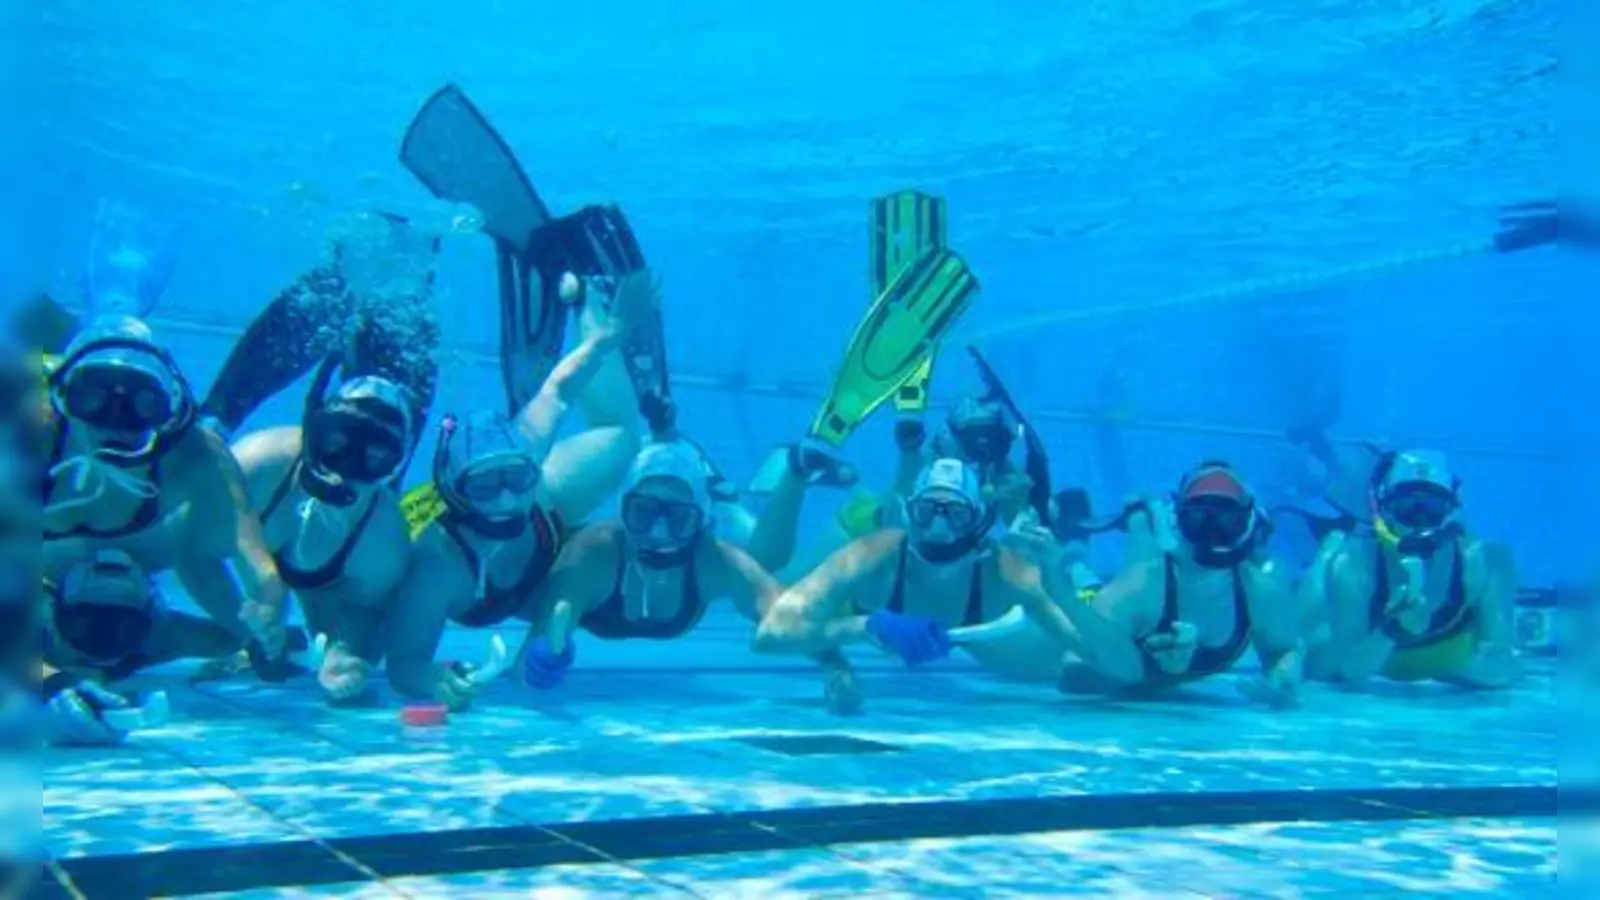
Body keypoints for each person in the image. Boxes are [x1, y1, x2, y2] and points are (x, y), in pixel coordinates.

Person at [383, 270, 657, 710]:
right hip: (485, 571)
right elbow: (404, 662)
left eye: (514, 480)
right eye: (487, 485)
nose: (507, 499)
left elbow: (561, 387)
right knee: (537, 594)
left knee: (621, 436)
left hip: (546, 503)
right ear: (457, 492)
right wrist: (433, 680)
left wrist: (609, 336)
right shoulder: (437, 564)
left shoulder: (526, 456)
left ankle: (586, 299)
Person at [516, 440, 862, 699]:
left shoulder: (714, 561)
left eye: (678, 519)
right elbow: (548, 628)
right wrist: (540, 657)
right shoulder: (595, 553)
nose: (659, 533)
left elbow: (783, 616)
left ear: (700, 524)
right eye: (644, 514)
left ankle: (784, 478)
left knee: (769, 561)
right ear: (623, 514)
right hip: (535, 567)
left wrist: (835, 664)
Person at [42, 314, 290, 663]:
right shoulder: (193, 456)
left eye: (140, 404)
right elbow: (255, 563)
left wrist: (265, 609)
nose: (115, 417)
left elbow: (253, 561)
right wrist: (265, 616)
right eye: (94, 397)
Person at [754, 458, 1085, 702]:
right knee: (777, 583)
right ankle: (800, 473)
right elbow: (773, 633)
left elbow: (1076, 650)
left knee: (1058, 664)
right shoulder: (870, 554)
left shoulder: (1001, 569)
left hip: (956, 595)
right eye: (926, 512)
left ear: (978, 522)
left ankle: (853, 484)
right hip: (864, 540)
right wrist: (860, 634)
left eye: (956, 514)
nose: (939, 531)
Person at [1048, 461, 1307, 706]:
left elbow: (1284, 648)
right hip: (1094, 607)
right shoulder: (1143, 585)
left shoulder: (1260, 592)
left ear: (1248, 524)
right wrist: (1156, 673)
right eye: (1197, 518)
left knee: (1143, 547)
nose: (1212, 531)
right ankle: (1085, 553)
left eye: (1228, 520)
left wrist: (1282, 682)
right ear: (1177, 522)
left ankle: (1137, 515)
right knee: (1131, 557)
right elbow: (1072, 673)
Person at [1301, 449, 1521, 688]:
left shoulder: (1484, 562)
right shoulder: (1355, 565)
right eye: (1408, 507)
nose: (1420, 521)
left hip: (1444, 667)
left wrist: (1457, 671)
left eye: (1432, 509)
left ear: (1450, 511)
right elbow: (1348, 668)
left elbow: (1501, 662)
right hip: (1369, 654)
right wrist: (1394, 630)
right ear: (1385, 510)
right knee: (1312, 644)